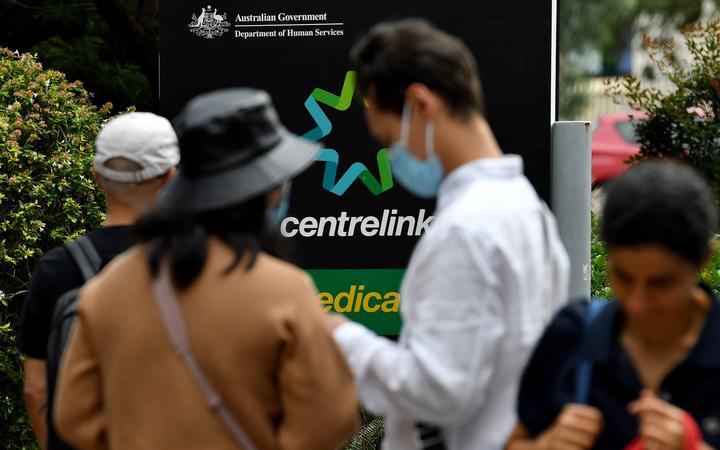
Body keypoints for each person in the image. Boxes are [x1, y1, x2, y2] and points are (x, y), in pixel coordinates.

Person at [54, 88, 359, 450]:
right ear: (271, 191)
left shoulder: (106, 291)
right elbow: (329, 423)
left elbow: (74, 420)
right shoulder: (285, 292)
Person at [326, 19, 570, 449]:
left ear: (419, 103)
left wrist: (338, 334)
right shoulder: (528, 208)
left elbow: (436, 390)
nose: (391, 158)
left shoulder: (467, 229)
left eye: (387, 141)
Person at [507, 160, 720, 449]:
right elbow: (516, 441)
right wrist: (545, 445)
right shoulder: (573, 335)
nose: (637, 303)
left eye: (661, 283)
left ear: (702, 260)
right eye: (623, 276)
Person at [17, 112, 179, 450]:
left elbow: (35, 389)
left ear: (98, 176)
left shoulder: (56, 269)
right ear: (169, 175)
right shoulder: (195, 263)